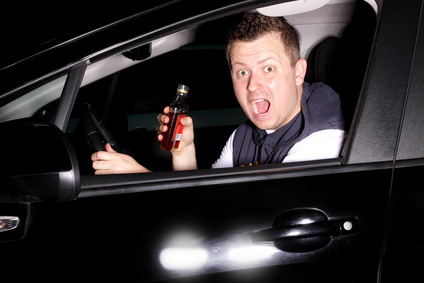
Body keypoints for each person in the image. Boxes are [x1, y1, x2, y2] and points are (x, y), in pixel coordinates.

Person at [91, 12, 345, 175]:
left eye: (268, 68)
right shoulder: (244, 134)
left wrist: (138, 177)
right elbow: (204, 197)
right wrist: (183, 151)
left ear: (299, 72)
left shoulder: (323, 140)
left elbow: (250, 217)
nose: (253, 85)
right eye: (242, 72)